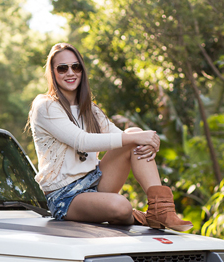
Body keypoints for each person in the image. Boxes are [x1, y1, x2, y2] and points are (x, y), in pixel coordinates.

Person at [28, 43, 191, 231]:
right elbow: (82, 141)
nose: (70, 73)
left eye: (76, 67)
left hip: (95, 180)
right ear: (52, 73)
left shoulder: (90, 109)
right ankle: (136, 216)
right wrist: (139, 138)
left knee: (134, 135)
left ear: (82, 70)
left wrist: (148, 140)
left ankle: (162, 209)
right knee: (122, 206)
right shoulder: (45, 106)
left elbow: (121, 137)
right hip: (65, 196)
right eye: (63, 68)